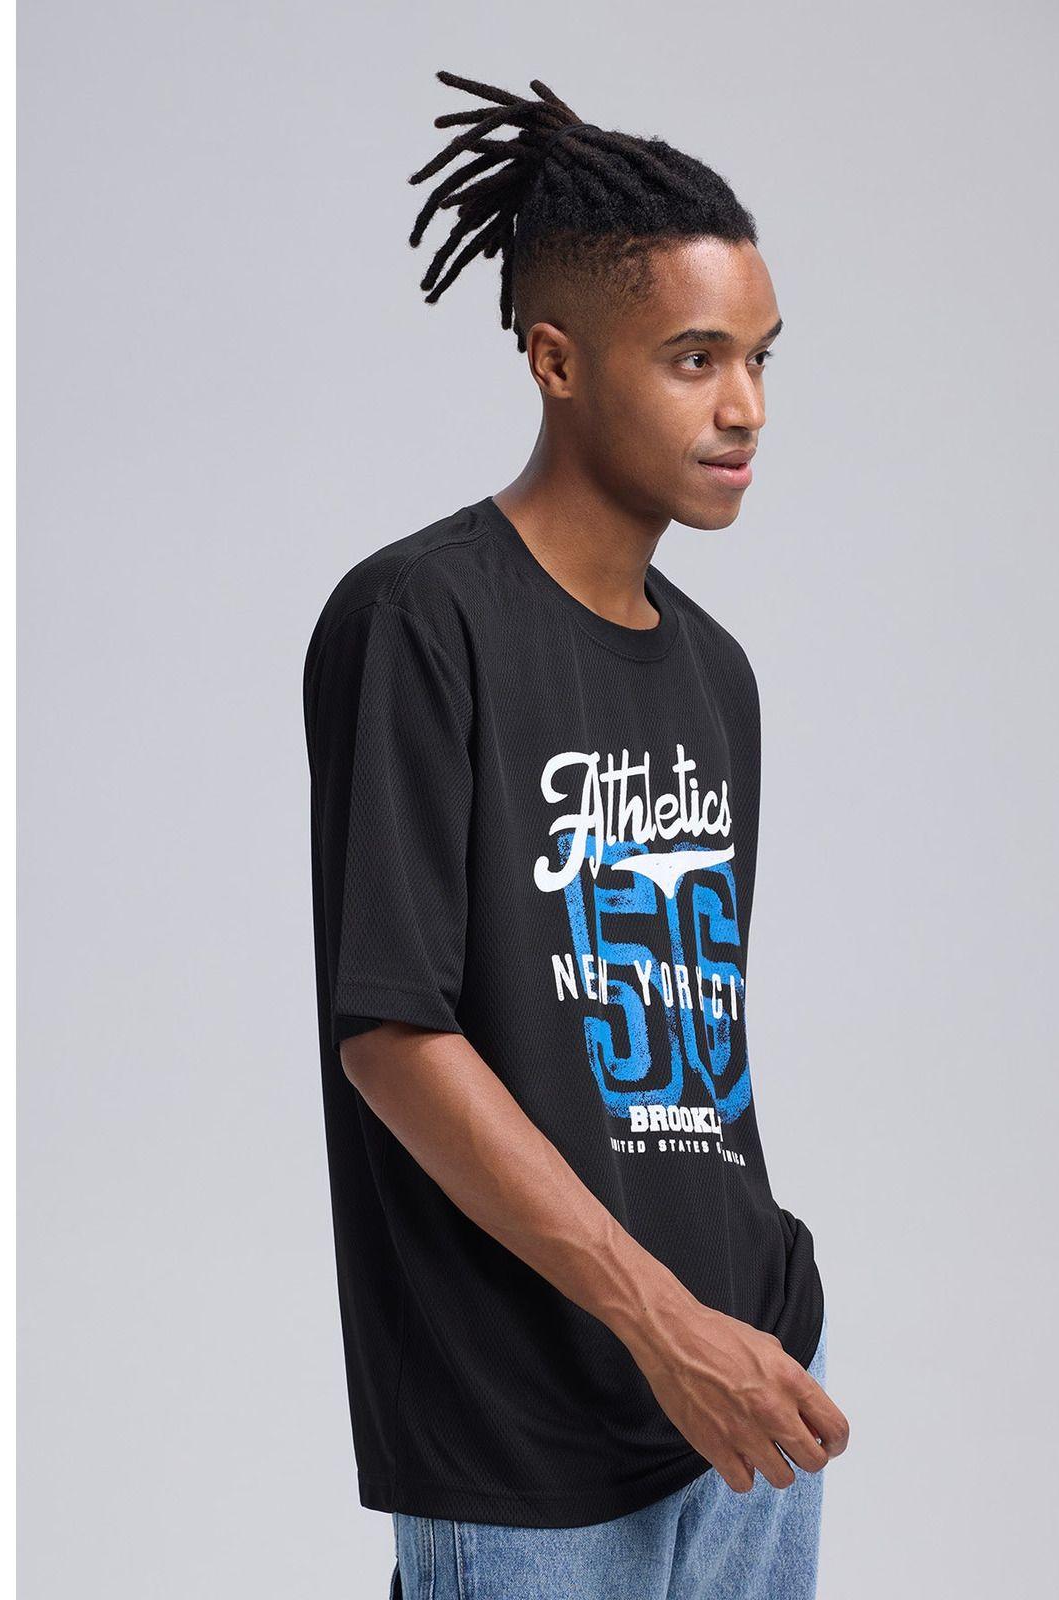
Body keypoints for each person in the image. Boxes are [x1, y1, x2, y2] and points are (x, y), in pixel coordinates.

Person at [302, 68, 850, 1600]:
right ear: (554, 358)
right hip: (530, 1441)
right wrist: (663, 1327)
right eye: (693, 358)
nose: (745, 408)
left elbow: (680, 1046)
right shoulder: (420, 621)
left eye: (758, 358)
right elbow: (392, 1036)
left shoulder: (717, 676)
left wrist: (738, 1331)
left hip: (753, 1397)